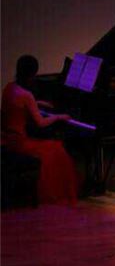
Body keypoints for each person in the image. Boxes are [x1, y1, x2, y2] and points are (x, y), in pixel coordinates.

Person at [0, 55, 78, 205]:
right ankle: (60, 192)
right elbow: (41, 123)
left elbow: (18, 105)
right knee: (57, 148)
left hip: (7, 139)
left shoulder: (9, 88)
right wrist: (59, 117)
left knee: (52, 148)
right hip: (20, 143)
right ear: (32, 74)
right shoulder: (27, 95)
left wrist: (35, 103)